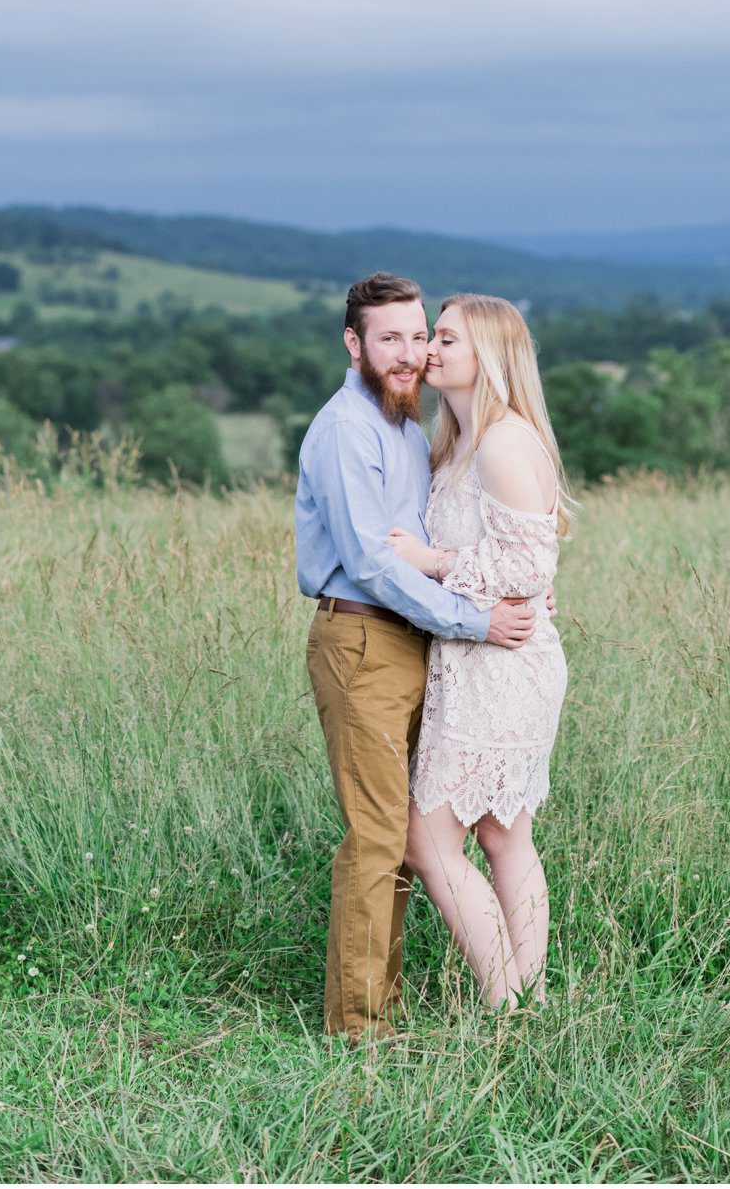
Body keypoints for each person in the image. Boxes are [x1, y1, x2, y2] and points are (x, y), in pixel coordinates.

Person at [293, 272, 541, 1040]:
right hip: (364, 637)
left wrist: (513, 594)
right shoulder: (346, 429)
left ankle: (497, 1002)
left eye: (420, 334)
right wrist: (473, 618)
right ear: (354, 343)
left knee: (421, 836)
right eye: (391, 337)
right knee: (379, 834)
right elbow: (371, 566)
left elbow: (492, 545)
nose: (410, 353)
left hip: (424, 645)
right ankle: (363, 1027)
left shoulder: (410, 430)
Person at [389, 294, 573, 1009]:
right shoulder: (459, 439)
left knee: (426, 840)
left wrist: (431, 562)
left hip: (504, 667)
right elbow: (519, 559)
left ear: (489, 355)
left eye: (445, 337)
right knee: (502, 835)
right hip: (479, 658)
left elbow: (530, 570)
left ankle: (504, 999)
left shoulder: (501, 440)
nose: (430, 348)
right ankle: (528, 1001)